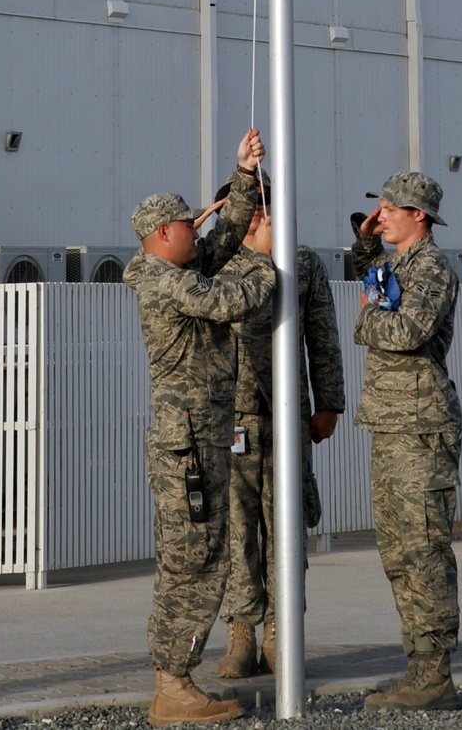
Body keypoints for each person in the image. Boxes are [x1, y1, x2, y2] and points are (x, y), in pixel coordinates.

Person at [122, 129, 276, 727]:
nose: (200, 228)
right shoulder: (163, 279)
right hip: (187, 444)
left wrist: (242, 177)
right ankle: (174, 684)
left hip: (197, 436)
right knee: (194, 560)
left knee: (200, 555)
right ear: (163, 234)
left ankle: (175, 682)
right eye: (189, 224)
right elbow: (231, 298)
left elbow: (226, 236)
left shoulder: (173, 265)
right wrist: (265, 262)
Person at [216, 174, 345, 679]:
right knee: (236, 529)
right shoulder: (217, 261)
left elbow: (323, 336)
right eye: (244, 204)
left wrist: (328, 402)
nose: (254, 212)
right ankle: (241, 634)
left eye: (261, 203)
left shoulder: (303, 261)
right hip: (232, 416)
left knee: (286, 526)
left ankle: (280, 632)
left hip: (287, 415)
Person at [350, 171, 462, 712]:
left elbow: (406, 331)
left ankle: (435, 671)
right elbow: (367, 278)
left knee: (425, 550)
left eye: (391, 208)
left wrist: (365, 320)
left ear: (420, 215)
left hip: (421, 427)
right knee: (397, 553)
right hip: (391, 425)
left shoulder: (433, 268)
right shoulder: (396, 264)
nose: (382, 214)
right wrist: (368, 242)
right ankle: (417, 663)